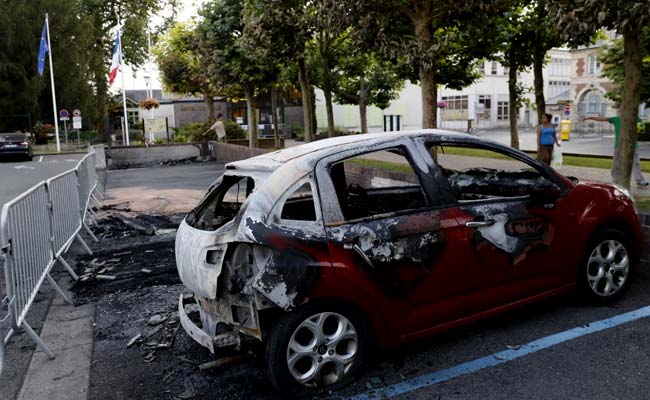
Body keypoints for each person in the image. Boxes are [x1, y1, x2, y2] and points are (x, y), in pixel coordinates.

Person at [583, 106, 648, 187]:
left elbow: (642, 130)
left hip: (633, 145)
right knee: (616, 164)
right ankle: (615, 180)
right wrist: (590, 118)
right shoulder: (615, 119)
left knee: (635, 164)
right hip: (619, 145)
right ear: (620, 111)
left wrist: (639, 131)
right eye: (621, 109)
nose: (622, 110)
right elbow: (602, 119)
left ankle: (640, 181)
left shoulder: (636, 118)